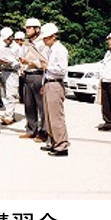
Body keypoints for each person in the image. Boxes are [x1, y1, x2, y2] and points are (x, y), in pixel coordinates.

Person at [39, 23, 70, 157]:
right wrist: (43, 84)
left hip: (56, 84)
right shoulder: (50, 49)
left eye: (46, 38)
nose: (44, 41)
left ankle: (62, 145)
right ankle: (52, 141)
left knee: (56, 116)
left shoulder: (60, 49)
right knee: (48, 116)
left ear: (53, 36)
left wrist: (48, 66)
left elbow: (62, 70)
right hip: (49, 83)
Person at [19, 18, 48, 142]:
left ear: (37, 29)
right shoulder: (27, 44)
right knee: (29, 105)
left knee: (41, 105)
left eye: (29, 28)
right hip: (28, 75)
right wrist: (23, 67)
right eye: (26, 28)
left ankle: (43, 132)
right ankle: (31, 129)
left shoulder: (42, 44)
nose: (27, 30)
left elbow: (44, 62)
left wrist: (29, 62)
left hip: (38, 74)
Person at [0, 27, 21, 126]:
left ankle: (9, 116)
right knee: (3, 95)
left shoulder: (17, 47)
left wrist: (12, 62)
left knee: (11, 94)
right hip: (3, 70)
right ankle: (8, 114)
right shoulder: (0, 45)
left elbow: (20, 61)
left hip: (12, 72)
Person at [14, 31, 26, 104]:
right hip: (17, 67)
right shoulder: (15, 47)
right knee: (19, 84)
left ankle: (23, 98)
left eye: (21, 40)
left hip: (24, 66)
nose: (19, 42)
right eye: (17, 40)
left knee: (23, 83)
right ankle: (21, 97)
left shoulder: (26, 47)